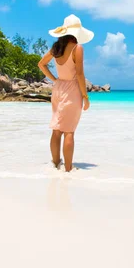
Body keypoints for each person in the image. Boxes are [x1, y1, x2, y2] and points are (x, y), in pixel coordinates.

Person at [38, 14, 94, 172]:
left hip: (58, 89)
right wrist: (85, 96)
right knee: (69, 131)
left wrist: (55, 80)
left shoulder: (56, 47)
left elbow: (41, 64)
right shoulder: (77, 48)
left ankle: (55, 165)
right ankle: (68, 170)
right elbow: (80, 74)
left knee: (57, 130)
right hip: (72, 90)